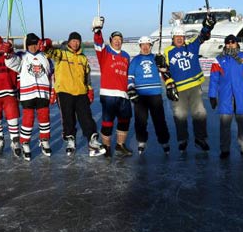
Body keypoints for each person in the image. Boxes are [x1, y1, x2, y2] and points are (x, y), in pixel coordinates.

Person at [42, 32, 106, 157]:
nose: (75, 43)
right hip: (65, 92)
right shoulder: (62, 54)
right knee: (68, 118)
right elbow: (51, 53)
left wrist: (90, 89)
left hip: (81, 92)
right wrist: (46, 47)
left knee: (86, 117)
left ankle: (92, 140)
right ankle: (71, 140)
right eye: (73, 41)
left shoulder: (83, 58)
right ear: (69, 42)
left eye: (77, 41)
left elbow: (87, 76)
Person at [161, 13, 215, 153]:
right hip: (179, 89)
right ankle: (183, 140)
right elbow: (164, 71)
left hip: (195, 87)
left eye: (181, 37)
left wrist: (207, 27)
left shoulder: (191, 45)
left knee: (200, 113)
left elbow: (203, 36)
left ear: (184, 37)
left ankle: (200, 138)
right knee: (180, 115)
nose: (179, 39)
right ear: (173, 38)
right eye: (176, 37)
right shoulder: (167, 52)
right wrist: (169, 84)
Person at [4, 33, 54, 161]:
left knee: (44, 118)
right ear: (28, 45)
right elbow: (11, 62)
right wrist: (8, 51)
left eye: (36, 44)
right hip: (27, 94)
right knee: (28, 119)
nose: (34, 47)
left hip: (43, 93)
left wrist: (53, 91)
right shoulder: (22, 56)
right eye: (31, 44)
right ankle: (25, 142)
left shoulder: (45, 57)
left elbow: (52, 75)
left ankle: (44, 140)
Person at [208, 34, 243, 160]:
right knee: (225, 124)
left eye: (233, 42)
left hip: (241, 96)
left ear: (237, 44)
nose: (230, 44)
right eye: (228, 42)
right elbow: (214, 79)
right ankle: (224, 149)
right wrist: (212, 96)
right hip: (225, 96)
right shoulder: (219, 60)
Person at [92, 16, 133, 157]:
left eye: (119, 40)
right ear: (110, 41)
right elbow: (98, 43)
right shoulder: (105, 53)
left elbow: (130, 74)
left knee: (125, 120)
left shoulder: (126, 56)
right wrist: (97, 30)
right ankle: (106, 146)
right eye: (115, 39)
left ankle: (120, 145)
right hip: (109, 94)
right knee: (108, 122)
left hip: (123, 95)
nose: (117, 41)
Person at [127, 36, 171, 155]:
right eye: (143, 45)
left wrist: (163, 64)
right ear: (140, 46)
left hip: (155, 94)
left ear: (151, 46)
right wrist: (131, 89)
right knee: (140, 121)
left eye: (148, 45)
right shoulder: (135, 60)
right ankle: (141, 141)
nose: (146, 47)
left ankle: (164, 141)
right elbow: (130, 77)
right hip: (140, 95)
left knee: (159, 120)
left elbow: (165, 71)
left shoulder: (155, 58)